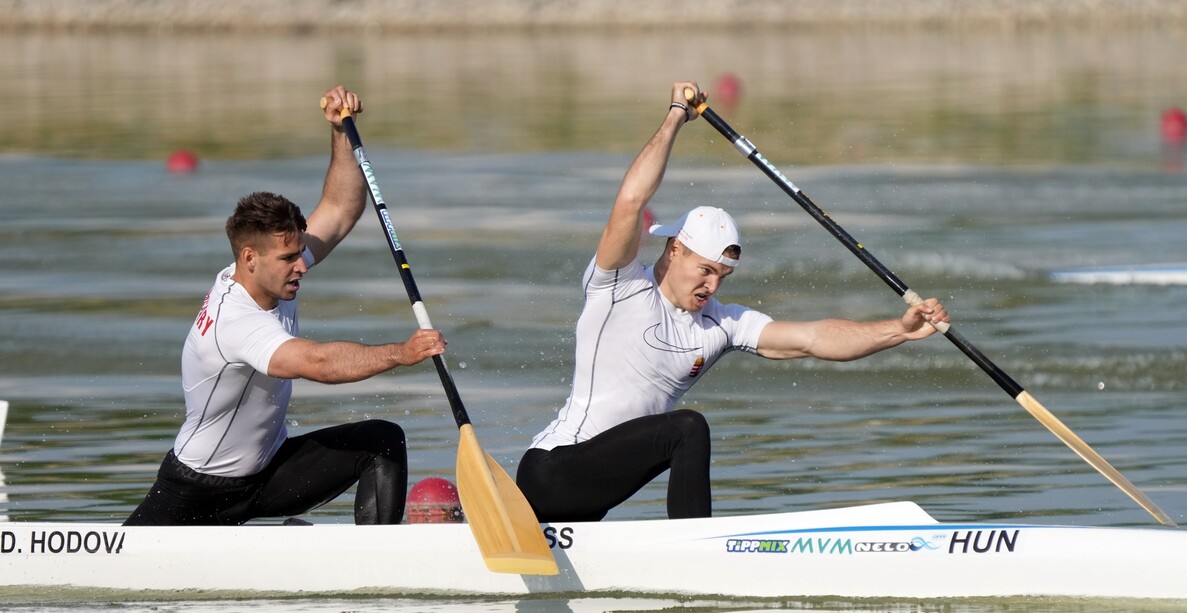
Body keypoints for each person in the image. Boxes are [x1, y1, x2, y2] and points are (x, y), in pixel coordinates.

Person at [516, 80, 949, 523]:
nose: (713, 287)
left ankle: (688, 551)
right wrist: (674, 116)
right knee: (687, 428)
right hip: (551, 472)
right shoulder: (619, 287)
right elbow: (630, 201)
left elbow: (813, 339)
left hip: (596, 496)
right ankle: (698, 548)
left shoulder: (719, 324)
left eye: (722, 277)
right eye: (705, 270)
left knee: (682, 431)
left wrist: (899, 329)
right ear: (674, 250)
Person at [126, 85, 447, 526]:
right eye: (289, 259)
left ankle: (377, 560)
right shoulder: (235, 321)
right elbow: (315, 362)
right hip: (197, 489)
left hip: (268, 473)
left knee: (382, 441)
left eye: (300, 253)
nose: (303, 266)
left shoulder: (272, 273)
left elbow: (338, 209)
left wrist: (339, 132)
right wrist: (401, 353)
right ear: (249, 259)